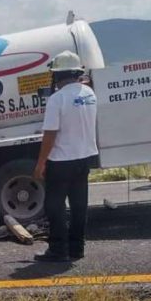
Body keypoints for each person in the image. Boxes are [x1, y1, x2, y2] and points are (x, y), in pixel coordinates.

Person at [33, 50, 98, 262]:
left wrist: (41, 163)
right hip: (84, 158)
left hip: (61, 162)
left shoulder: (57, 99)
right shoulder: (89, 94)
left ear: (58, 76)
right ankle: (77, 249)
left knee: (55, 207)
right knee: (79, 206)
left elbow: (50, 134)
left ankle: (58, 250)